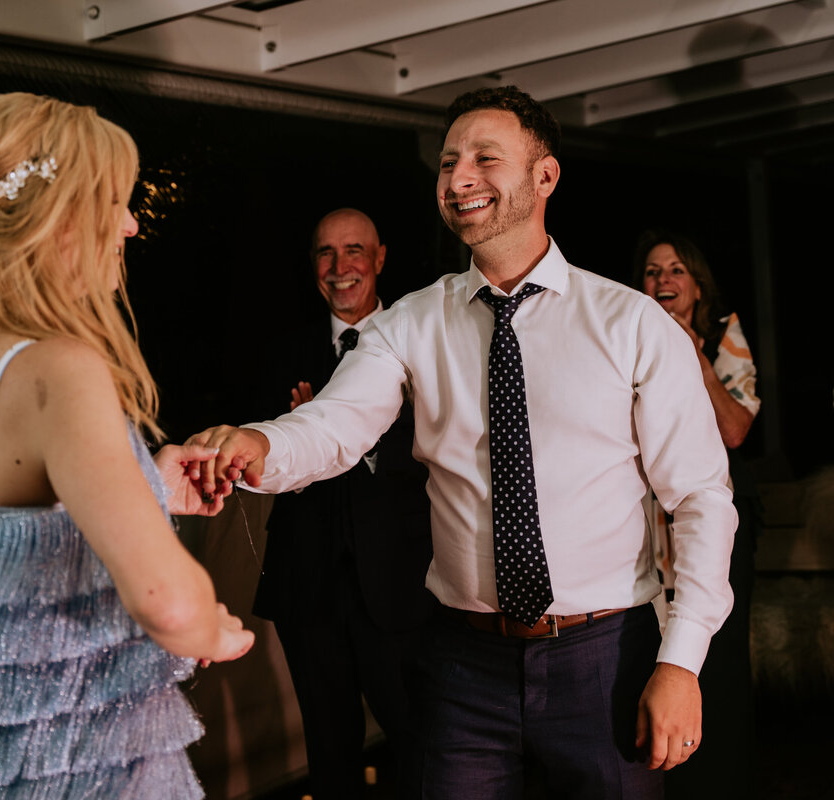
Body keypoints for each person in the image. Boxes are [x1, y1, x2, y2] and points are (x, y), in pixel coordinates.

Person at [188, 86, 737, 799]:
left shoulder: (631, 325)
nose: (459, 178)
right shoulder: (410, 323)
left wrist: (682, 662)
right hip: (460, 659)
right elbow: (333, 427)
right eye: (448, 164)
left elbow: (698, 498)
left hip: (606, 653)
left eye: (484, 158)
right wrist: (255, 446)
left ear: (545, 176)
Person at [0, 92, 254, 799]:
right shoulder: (56, 367)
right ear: (50, 219)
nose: (128, 224)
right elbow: (168, 604)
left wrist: (144, 481)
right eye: (113, 202)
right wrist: (213, 629)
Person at [251, 208, 432, 798]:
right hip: (307, 587)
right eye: (325, 253)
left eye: (354, 250)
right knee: (329, 754)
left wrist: (345, 435)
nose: (339, 267)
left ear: (380, 258)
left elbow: (447, 445)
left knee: (420, 742)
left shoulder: (422, 343)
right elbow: (264, 458)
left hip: (402, 584)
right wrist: (298, 440)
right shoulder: (281, 354)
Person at [636, 230, 760, 799]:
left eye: (676, 270)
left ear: (697, 284)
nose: (663, 281)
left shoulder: (723, 334)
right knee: (651, 654)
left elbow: (735, 428)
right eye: (653, 271)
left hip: (714, 526)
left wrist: (696, 359)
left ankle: (722, 781)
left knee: (718, 660)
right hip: (645, 527)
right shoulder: (631, 336)